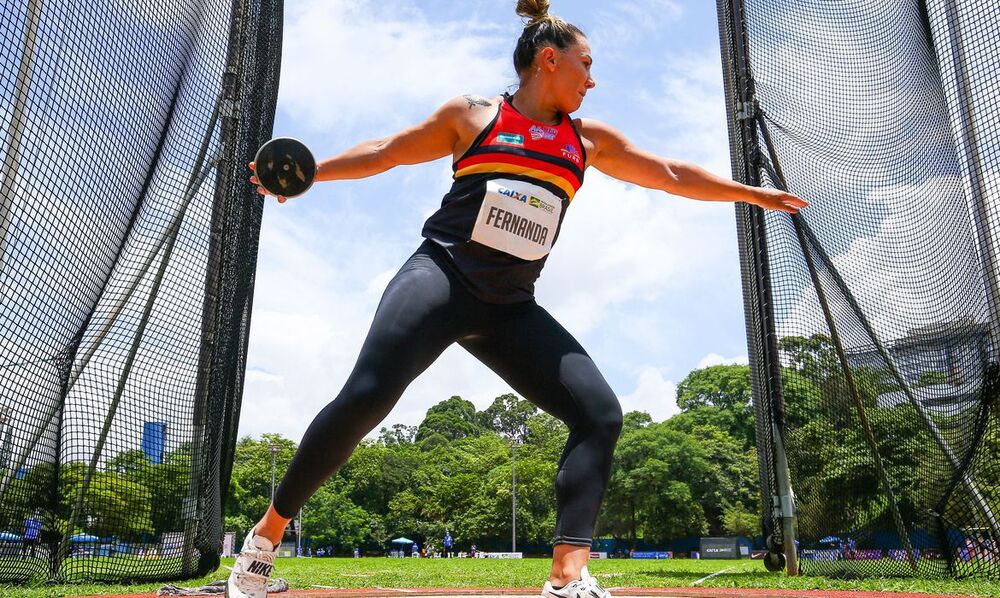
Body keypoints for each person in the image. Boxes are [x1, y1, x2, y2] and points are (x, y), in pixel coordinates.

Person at [225, 2, 807, 597]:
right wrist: (310, 173)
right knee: (368, 397)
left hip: (509, 307)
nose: (593, 79)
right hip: (442, 277)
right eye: (586, 64)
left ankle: (567, 574)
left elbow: (671, 173)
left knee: (599, 414)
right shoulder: (473, 117)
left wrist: (752, 195)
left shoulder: (586, 140)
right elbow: (386, 151)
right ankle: (264, 543)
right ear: (548, 61)